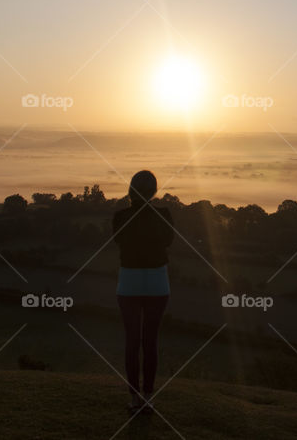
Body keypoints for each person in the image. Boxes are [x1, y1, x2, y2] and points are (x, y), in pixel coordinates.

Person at [113, 170, 174, 415]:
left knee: (132, 341)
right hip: (158, 282)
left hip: (129, 282)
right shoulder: (165, 215)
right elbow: (168, 242)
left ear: (131, 189)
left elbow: (119, 241)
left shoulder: (120, 216)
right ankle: (148, 397)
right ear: (154, 191)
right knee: (150, 342)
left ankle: (134, 399)